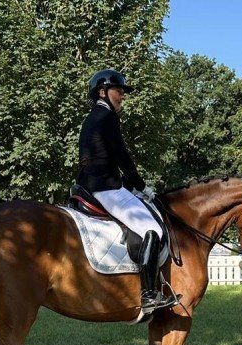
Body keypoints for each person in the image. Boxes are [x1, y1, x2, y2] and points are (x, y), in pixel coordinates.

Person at [76, 69, 177, 314]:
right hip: (105, 188)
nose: (122, 96)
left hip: (92, 183)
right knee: (152, 229)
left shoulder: (93, 117)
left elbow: (104, 157)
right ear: (103, 92)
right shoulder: (107, 117)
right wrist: (141, 186)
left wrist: (130, 185)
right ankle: (149, 295)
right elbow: (121, 156)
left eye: (122, 92)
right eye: (118, 91)